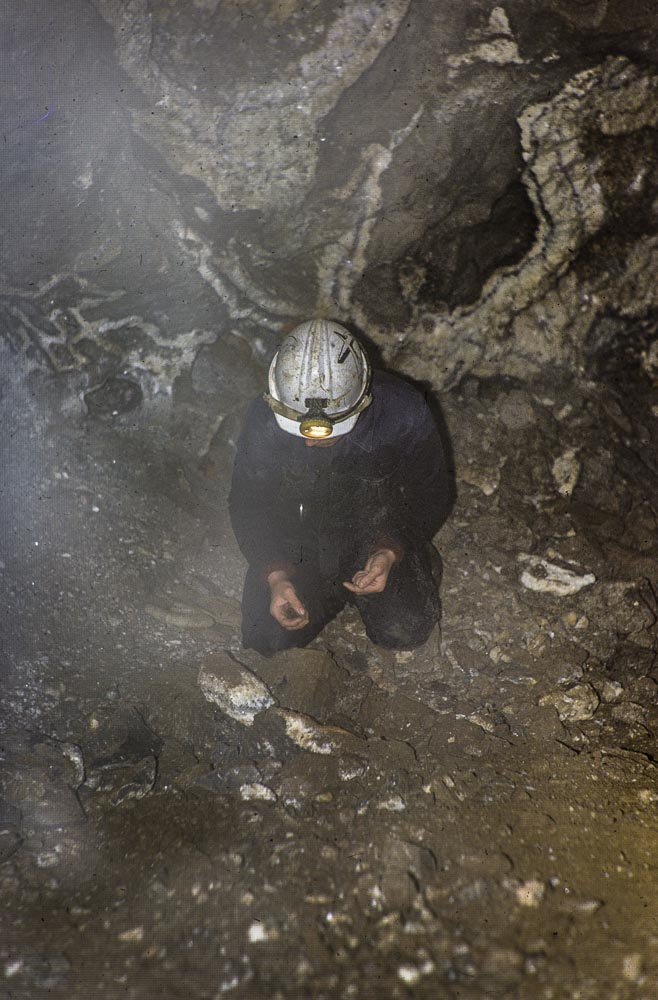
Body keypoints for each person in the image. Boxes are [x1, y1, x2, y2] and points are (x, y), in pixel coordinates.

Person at [228, 319, 452, 657]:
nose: (310, 441)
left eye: (329, 432)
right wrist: (275, 574)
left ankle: (417, 561)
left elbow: (433, 491)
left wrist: (391, 549)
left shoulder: (404, 411)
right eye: (298, 431)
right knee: (267, 642)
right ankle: (315, 589)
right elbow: (248, 501)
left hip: (375, 532)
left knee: (405, 626)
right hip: (298, 541)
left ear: (361, 401)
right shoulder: (264, 418)